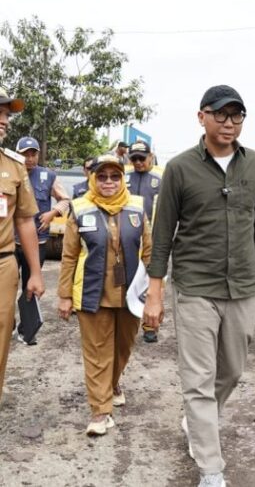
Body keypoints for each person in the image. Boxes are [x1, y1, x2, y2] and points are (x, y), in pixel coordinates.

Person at [143, 84, 255, 487]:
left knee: (231, 371)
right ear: (202, 117)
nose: (229, 123)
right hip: (195, 286)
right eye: (220, 114)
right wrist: (155, 291)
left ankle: (197, 421)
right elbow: (162, 233)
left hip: (243, 285)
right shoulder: (180, 168)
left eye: (237, 115)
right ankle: (211, 471)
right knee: (198, 378)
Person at [57, 154, 151, 436]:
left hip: (130, 293)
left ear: (122, 179)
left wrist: (152, 293)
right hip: (92, 292)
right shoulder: (80, 208)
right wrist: (64, 295)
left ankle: (112, 383)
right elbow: (69, 256)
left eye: (114, 176)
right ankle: (100, 411)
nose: (108, 182)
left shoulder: (137, 207)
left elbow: (149, 251)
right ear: (92, 179)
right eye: (102, 176)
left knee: (123, 348)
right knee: (98, 352)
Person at [0, 87, 45, 403]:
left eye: (6, 114)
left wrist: (36, 273)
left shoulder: (14, 165)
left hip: (3, 262)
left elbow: (26, 220)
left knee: (3, 329)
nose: (4, 120)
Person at [13, 137, 69, 345]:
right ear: (17, 154)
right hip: (10, 243)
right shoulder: (8, 173)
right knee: (7, 285)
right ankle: (7, 323)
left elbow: (65, 199)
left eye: (33, 154)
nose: (29, 158)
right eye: (25, 154)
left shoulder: (48, 176)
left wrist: (53, 213)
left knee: (31, 286)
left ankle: (26, 329)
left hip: (38, 243)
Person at [125, 141, 164, 342]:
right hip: (129, 237)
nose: (138, 162)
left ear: (150, 156)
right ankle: (127, 321)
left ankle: (150, 326)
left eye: (142, 158)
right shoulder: (123, 176)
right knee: (128, 279)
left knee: (153, 281)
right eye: (134, 159)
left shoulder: (162, 177)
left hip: (155, 238)